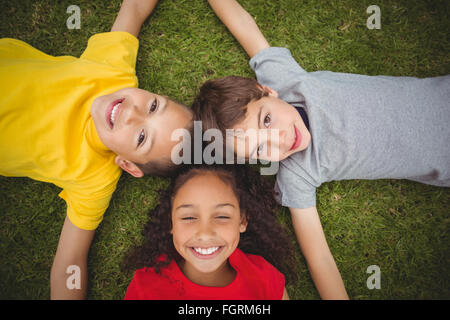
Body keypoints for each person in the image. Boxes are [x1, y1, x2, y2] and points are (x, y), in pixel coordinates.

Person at [192, 0, 450, 299]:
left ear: (267, 91)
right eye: (261, 148)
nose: (280, 140)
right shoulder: (296, 175)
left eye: (267, 119)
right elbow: (320, 258)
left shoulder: (286, 80)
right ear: (255, 161)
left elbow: (244, 25)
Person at [0, 0, 193, 299]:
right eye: (154, 105)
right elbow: (134, 9)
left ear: (128, 165)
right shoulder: (115, 73)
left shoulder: (95, 179)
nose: (133, 113)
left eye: (142, 138)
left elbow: (70, 262)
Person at [123, 164, 296, 299]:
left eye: (221, 216)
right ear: (170, 222)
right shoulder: (145, 287)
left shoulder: (264, 280)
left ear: (242, 221)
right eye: (189, 217)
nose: (205, 233)